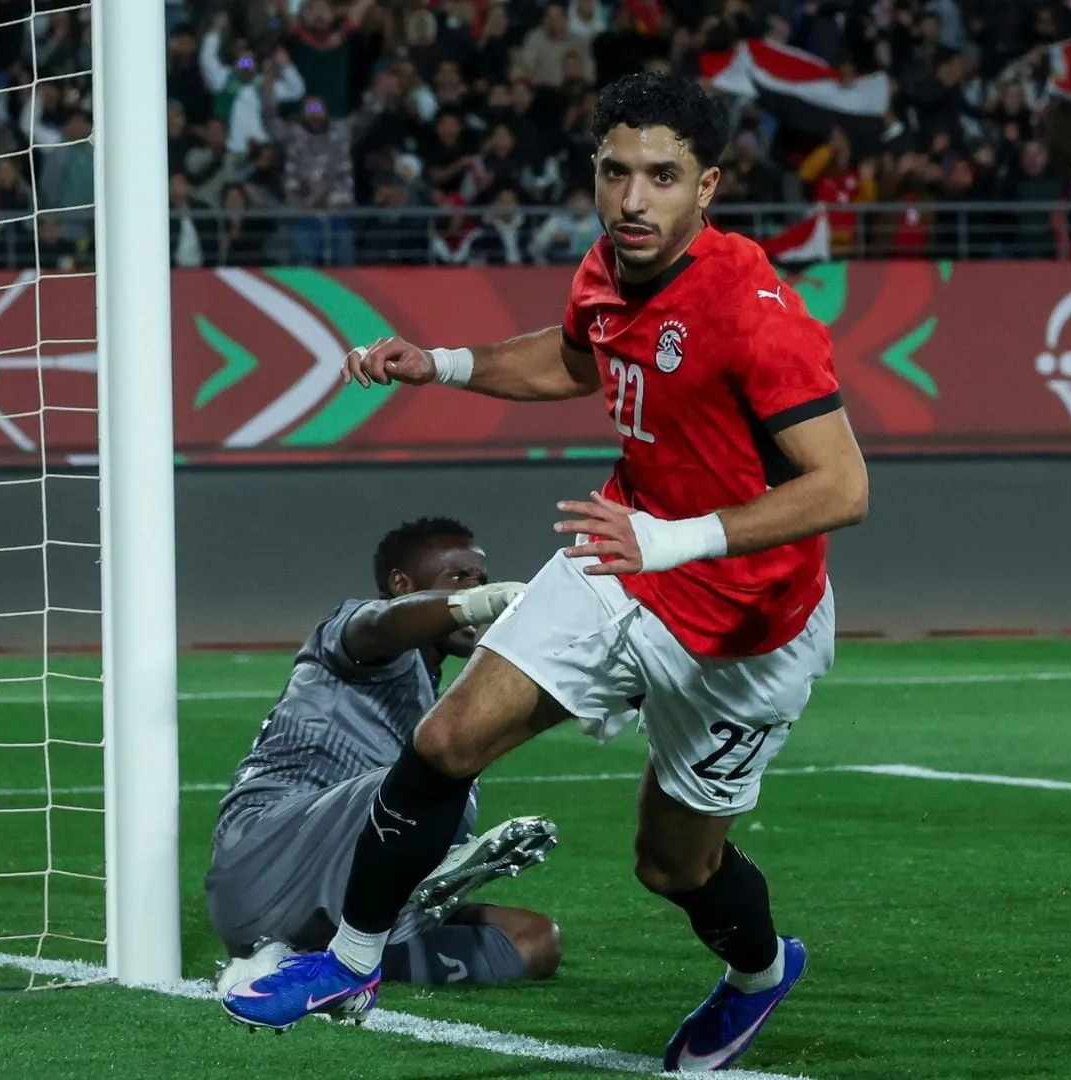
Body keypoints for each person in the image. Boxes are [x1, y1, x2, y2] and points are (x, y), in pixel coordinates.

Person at [221, 71, 869, 1075]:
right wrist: (437, 364)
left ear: (710, 186)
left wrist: (674, 540)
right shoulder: (607, 271)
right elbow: (577, 360)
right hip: (622, 557)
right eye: (616, 173)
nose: (634, 199)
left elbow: (840, 488)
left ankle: (756, 975)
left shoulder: (758, 314)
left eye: (663, 176)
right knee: (445, 740)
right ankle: (350, 958)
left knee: (673, 864)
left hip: (744, 629)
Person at [208, 519, 561, 1002]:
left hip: (332, 892)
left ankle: (303, 960)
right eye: (459, 578)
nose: (478, 589)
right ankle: (419, 877)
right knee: (437, 776)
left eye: (482, 580)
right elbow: (383, 623)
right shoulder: (362, 639)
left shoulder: (433, 698)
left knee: (535, 942)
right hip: (267, 853)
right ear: (402, 585)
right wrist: (482, 603)